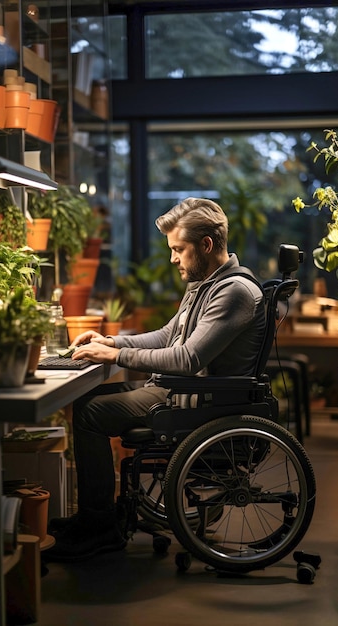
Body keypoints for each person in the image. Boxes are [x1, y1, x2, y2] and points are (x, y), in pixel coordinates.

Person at [46, 197, 265, 562]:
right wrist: (112, 341)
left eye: (179, 249)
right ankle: (95, 518)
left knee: (90, 415)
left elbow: (187, 357)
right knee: (85, 400)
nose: (173, 258)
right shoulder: (208, 282)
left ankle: (99, 529)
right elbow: (169, 335)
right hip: (182, 391)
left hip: (198, 400)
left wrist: (116, 356)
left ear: (206, 245)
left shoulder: (234, 292)